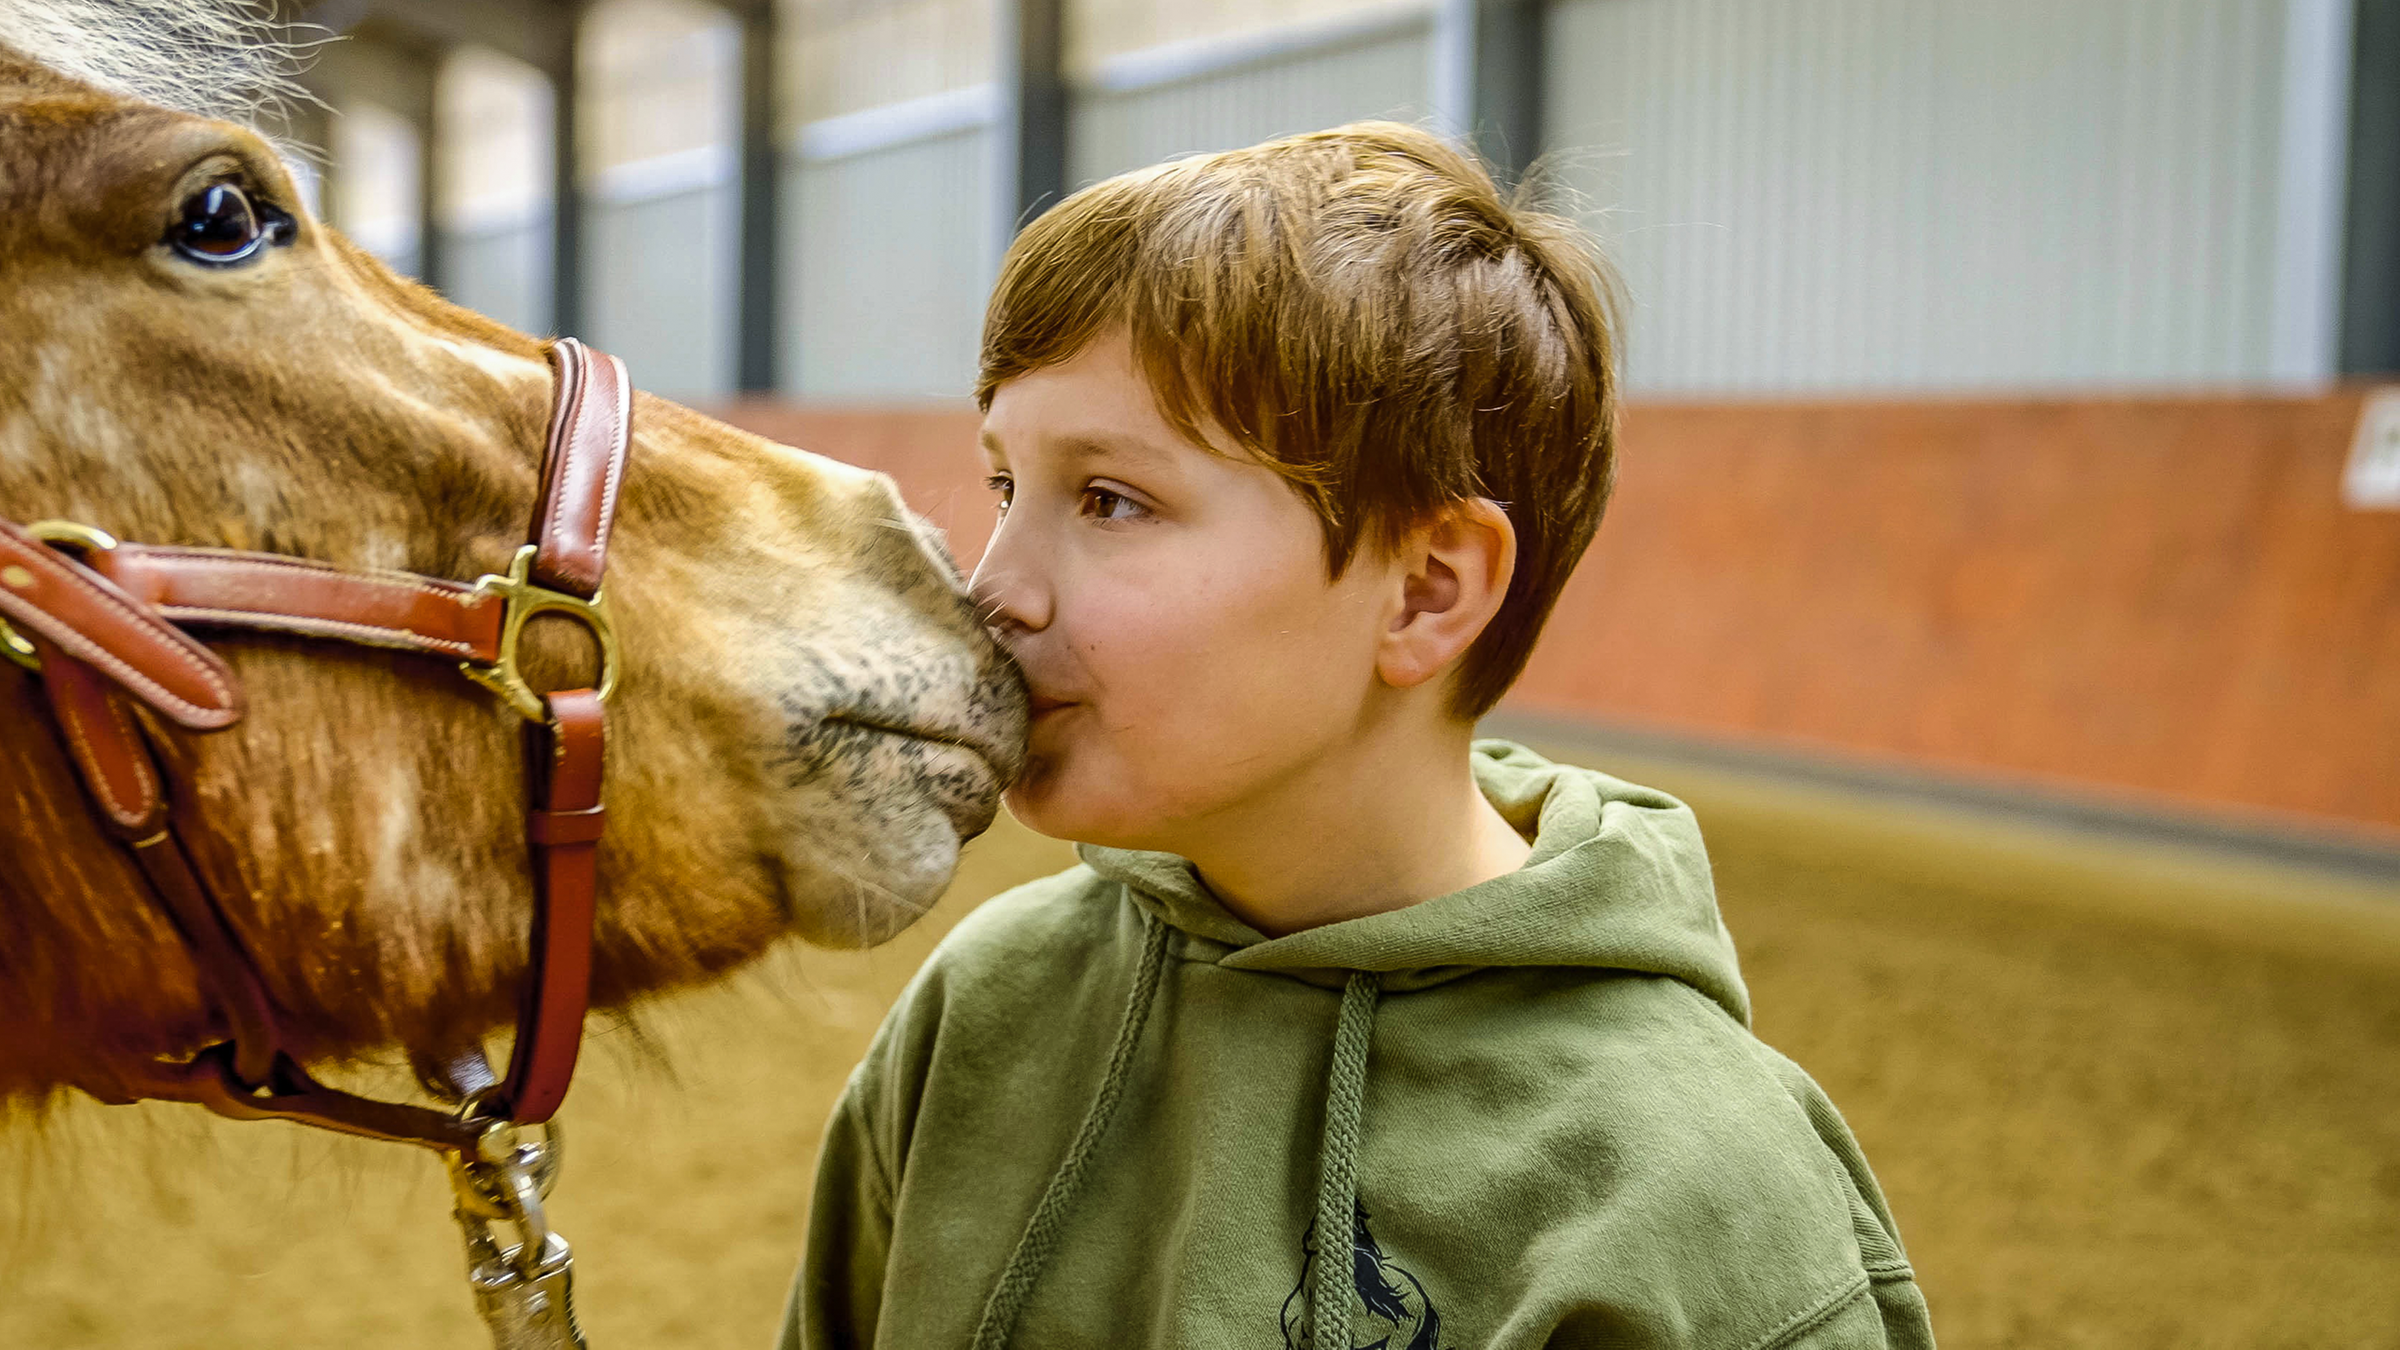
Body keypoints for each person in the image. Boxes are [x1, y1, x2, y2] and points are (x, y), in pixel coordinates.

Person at [782, 121, 1935, 1350]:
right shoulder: (985, 1009)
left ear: (1426, 591)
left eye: (1112, 500)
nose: (993, 590)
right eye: (1007, 488)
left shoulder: (1693, 1189)